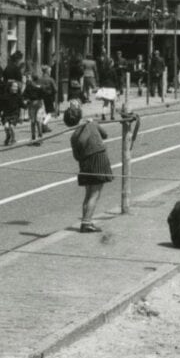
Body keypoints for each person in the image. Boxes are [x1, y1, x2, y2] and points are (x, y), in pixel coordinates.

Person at [63, 100, 114, 233]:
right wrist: (93, 123)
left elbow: (76, 156)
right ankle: (87, 222)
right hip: (98, 158)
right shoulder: (90, 124)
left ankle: (85, 221)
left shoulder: (73, 136)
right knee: (95, 193)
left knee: (88, 193)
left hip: (84, 162)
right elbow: (105, 135)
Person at [0, 78, 24, 146]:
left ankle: (13, 139)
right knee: (6, 127)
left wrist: (26, 105)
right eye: (14, 86)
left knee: (12, 127)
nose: (15, 88)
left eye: (16, 87)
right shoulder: (5, 96)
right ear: (10, 87)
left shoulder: (19, 96)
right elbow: (1, 105)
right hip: (6, 114)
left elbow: (22, 105)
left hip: (15, 114)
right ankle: (8, 137)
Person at [22, 74, 46, 145]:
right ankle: (33, 137)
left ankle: (40, 137)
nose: (28, 80)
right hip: (32, 105)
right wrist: (26, 100)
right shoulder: (29, 86)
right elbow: (24, 95)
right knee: (33, 121)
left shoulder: (40, 86)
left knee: (38, 121)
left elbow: (44, 94)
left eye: (30, 78)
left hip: (39, 105)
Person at [95, 56, 118, 121]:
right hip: (111, 87)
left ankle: (103, 114)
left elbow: (101, 79)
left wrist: (100, 86)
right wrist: (117, 87)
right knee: (113, 102)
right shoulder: (113, 70)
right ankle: (112, 116)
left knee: (106, 102)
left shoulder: (103, 70)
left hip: (105, 87)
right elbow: (115, 79)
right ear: (111, 63)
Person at [39, 65, 57, 133]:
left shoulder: (40, 79)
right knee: (50, 113)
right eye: (49, 71)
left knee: (44, 112)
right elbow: (55, 89)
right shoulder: (50, 79)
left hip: (40, 97)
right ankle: (44, 124)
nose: (50, 72)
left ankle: (45, 127)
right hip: (48, 97)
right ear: (47, 71)